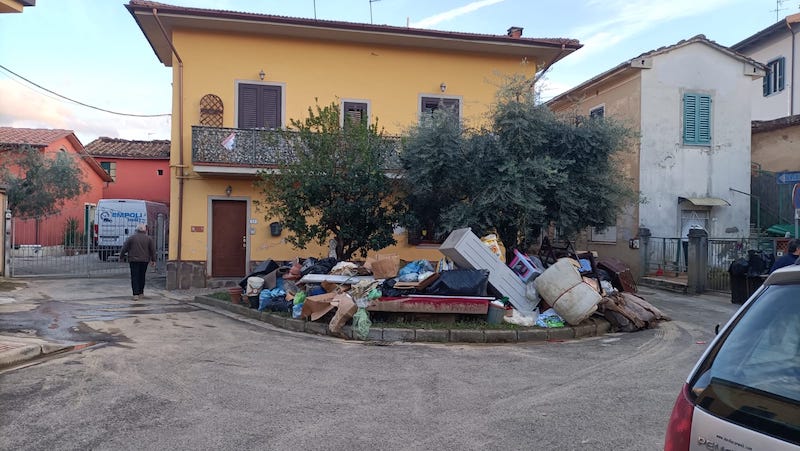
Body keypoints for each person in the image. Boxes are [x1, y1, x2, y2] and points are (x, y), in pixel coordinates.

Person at [120, 223, 156, 300]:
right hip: (144, 260)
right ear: (145, 230)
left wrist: (121, 256)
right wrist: (153, 260)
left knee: (134, 276)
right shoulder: (149, 239)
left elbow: (124, 248)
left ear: (136, 230)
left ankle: (135, 294)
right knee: (142, 276)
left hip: (133, 260)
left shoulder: (131, 238)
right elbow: (152, 250)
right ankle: (141, 293)